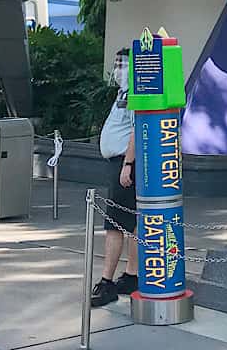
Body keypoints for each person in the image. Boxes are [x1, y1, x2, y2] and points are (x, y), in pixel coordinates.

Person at [91, 48, 138, 307]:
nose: (118, 71)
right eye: (118, 65)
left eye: (123, 65)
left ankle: (107, 282)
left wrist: (127, 164)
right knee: (130, 224)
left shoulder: (134, 93)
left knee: (115, 224)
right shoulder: (123, 93)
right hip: (119, 162)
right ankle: (131, 276)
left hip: (123, 163)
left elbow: (135, 130)